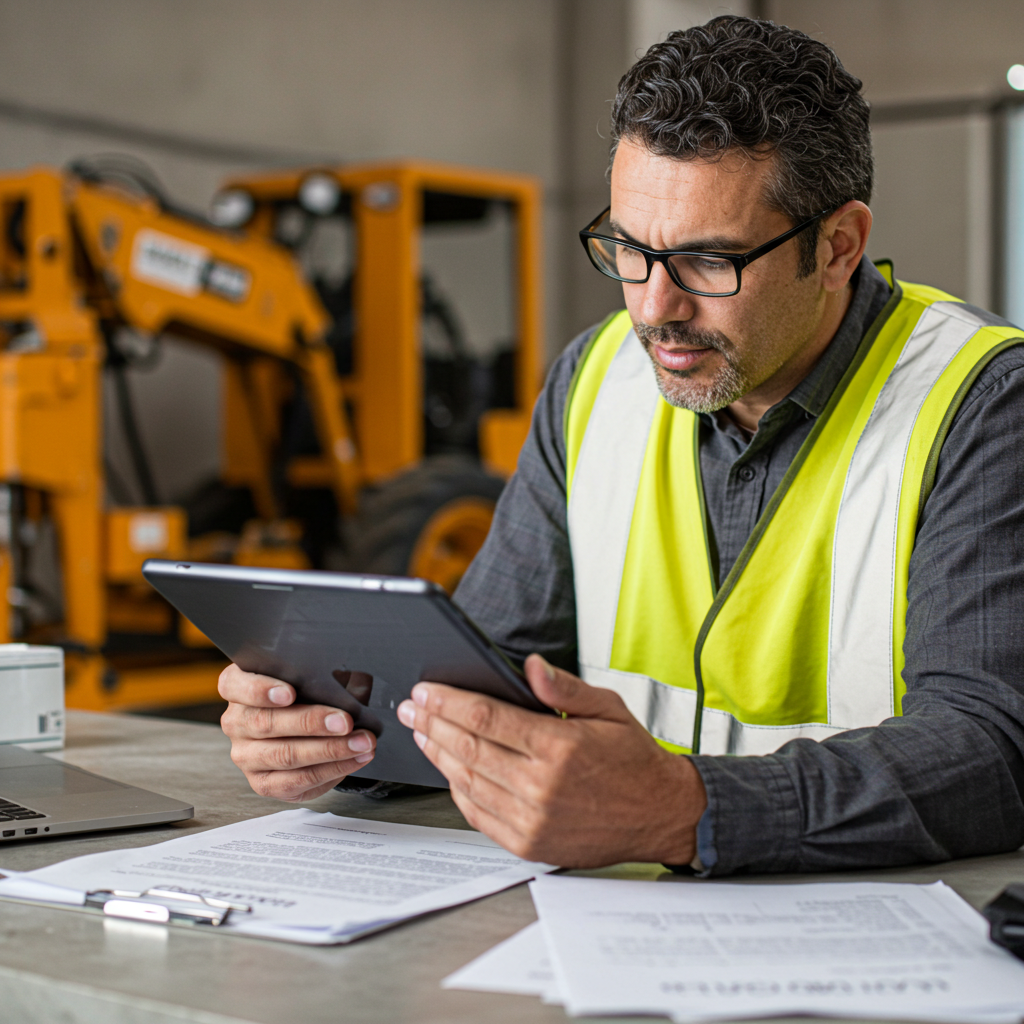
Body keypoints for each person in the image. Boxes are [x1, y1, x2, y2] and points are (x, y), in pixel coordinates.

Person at [218, 15, 1024, 876]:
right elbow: (483, 677)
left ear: (837, 247)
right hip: (612, 932)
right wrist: (343, 732)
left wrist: (691, 810)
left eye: (709, 263)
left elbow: (991, 750)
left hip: (884, 944)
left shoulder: (979, 401)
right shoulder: (595, 379)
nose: (653, 309)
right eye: (630, 251)